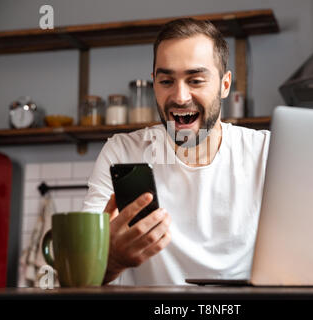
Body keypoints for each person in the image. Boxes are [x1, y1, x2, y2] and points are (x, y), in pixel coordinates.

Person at [82, 18, 270, 285]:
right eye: (167, 81)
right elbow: (78, 278)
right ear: (154, 84)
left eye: (195, 80)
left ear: (225, 85)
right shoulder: (122, 152)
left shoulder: (265, 152)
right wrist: (111, 261)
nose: (180, 96)